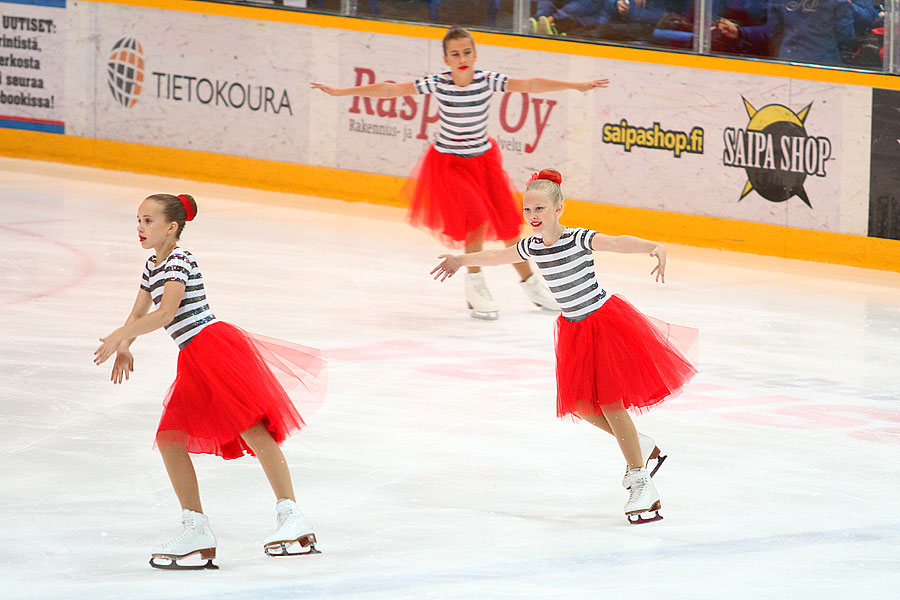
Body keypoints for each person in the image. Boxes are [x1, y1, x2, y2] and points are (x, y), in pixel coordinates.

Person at [430, 169, 697, 523]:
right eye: (528, 210)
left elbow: (616, 242)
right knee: (584, 407)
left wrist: (654, 246)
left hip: (604, 324)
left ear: (559, 209)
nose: (533, 217)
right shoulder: (530, 247)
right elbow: (498, 257)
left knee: (611, 403)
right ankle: (640, 445)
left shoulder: (578, 239)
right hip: (573, 330)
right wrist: (459, 259)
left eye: (540, 209)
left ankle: (640, 479)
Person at [93, 193, 326, 569]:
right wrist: (126, 342)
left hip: (213, 347)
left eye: (148, 221)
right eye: (138, 219)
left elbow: (167, 312)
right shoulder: (152, 265)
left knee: (251, 429)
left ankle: (291, 516)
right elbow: (140, 310)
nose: (139, 227)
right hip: (195, 357)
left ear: (172, 227)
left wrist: (122, 334)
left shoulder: (181, 259)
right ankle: (197, 528)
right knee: (170, 440)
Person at [311, 27, 608, 320]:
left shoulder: (487, 80)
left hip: (484, 162)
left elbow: (529, 84)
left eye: (467, 52)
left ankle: (531, 285)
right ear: (446, 59)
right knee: (476, 220)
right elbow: (392, 90)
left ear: (475, 54)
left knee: (508, 226)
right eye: (455, 54)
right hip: (450, 165)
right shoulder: (438, 83)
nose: (462, 57)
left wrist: (574, 85)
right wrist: (342, 92)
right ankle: (475, 284)